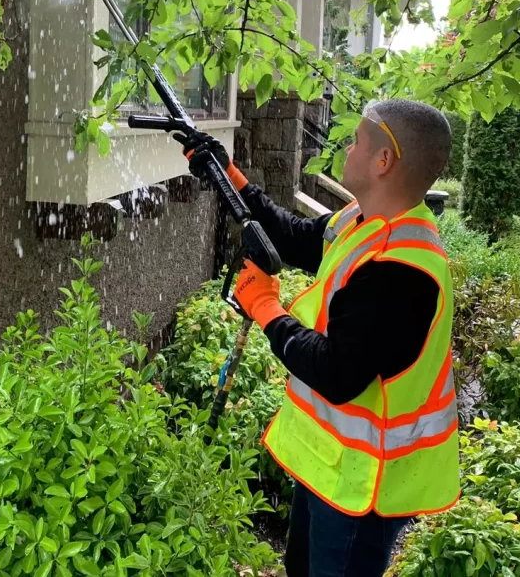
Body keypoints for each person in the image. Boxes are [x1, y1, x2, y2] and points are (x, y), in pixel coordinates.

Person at [182, 99, 460, 577]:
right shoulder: (362, 221)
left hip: (364, 490)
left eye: (356, 140)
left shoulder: (400, 269)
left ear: (383, 161)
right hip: (332, 471)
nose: (347, 147)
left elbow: (338, 374)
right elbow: (291, 237)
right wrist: (226, 174)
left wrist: (266, 307)